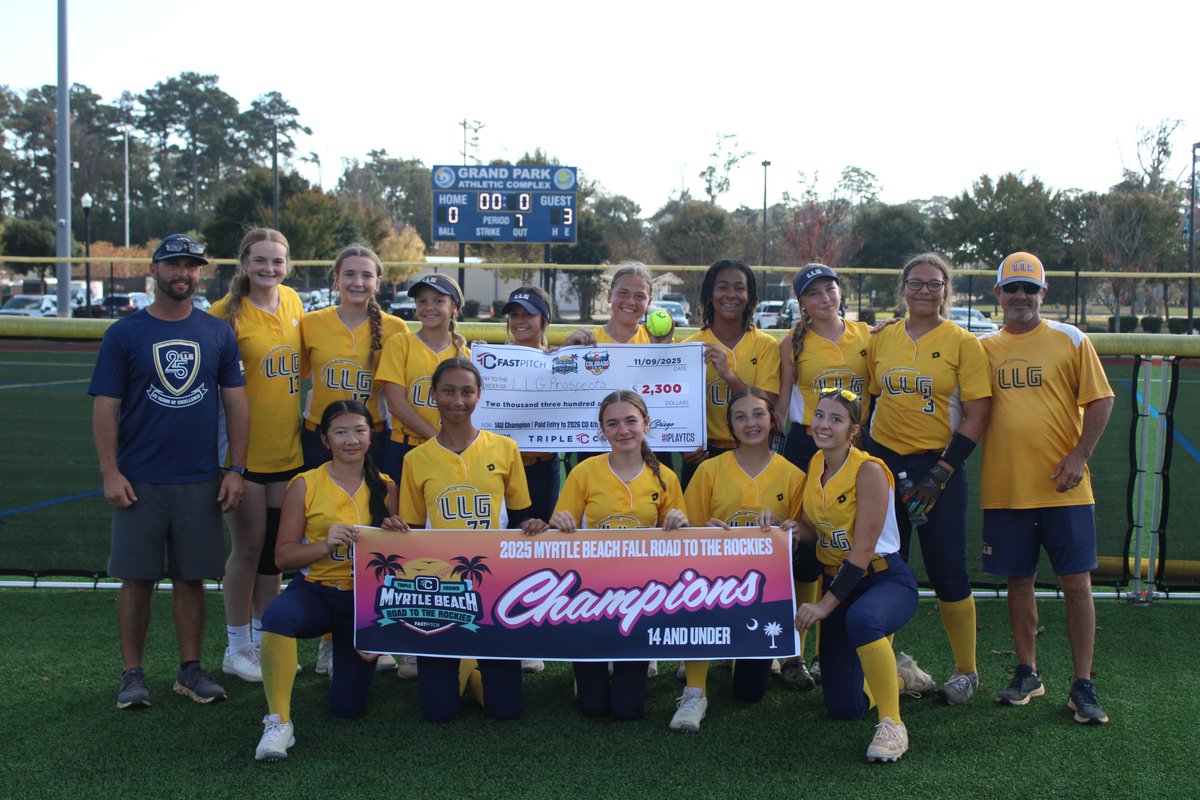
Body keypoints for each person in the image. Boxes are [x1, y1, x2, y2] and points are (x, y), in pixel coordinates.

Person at [90, 233, 248, 709]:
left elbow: (236, 405)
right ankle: (132, 673)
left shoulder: (217, 332)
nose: (183, 273)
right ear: (155, 270)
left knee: (192, 578)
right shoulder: (125, 333)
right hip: (140, 479)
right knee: (136, 579)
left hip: (199, 478)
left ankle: (190, 670)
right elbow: (105, 407)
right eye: (174, 265)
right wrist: (110, 473)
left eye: (192, 266)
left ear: (201, 273)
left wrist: (235, 468)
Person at [980, 252, 1115, 724]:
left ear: (1043, 294)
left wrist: (1079, 455)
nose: (1021, 297)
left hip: (1064, 487)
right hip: (1006, 486)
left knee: (1077, 584)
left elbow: (1101, 399)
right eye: (1012, 288)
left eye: (1029, 289)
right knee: (1020, 581)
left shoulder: (1070, 339)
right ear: (997, 293)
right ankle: (1027, 672)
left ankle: (1083, 683)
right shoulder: (981, 347)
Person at [866, 253, 991, 705]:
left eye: (933, 284)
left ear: (946, 290)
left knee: (946, 567)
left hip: (937, 466)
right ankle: (882, 663)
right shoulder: (882, 337)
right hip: (882, 464)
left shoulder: (963, 342)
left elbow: (977, 414)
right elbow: (869, 398)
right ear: (903, 288)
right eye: (915, 283)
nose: (924, 291)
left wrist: (939, 474)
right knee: (885, 565)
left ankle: (966, 670)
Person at [254, 401, 404, 761]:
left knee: (348, 708)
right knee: (278, 616)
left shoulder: (386, 487)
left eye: (359, 430)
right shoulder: (305, 484)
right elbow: (282, 557)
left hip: (362, 602)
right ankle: (279, 723)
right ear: (325, 439)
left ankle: (342, 651)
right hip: (317, 593)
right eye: (340, 432)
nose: (350, 440)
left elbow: (399, 567)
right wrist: (324, 544)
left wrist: (380, 632)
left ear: (371, 436)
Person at [398, 358, 542, 723]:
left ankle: (474, 670)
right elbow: (412, 533)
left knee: (506, 710)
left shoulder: (505, 448)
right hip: (442, 591)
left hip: (493, 584)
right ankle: (458, 666)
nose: (457, 400)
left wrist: (535, 528)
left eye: (467, 391)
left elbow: (521, 517)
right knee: (438, 711)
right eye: (448, 391)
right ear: (433, 396)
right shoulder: (416, 459)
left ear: (479, 396)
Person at [793, 388, 920, 762]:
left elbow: (863, 552)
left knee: (863, 619)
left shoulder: (869, 470)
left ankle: (893, 724)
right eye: (820, 415)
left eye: (836, 419)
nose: (824, 424)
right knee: (843, 707)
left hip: (883, 578)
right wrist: (784, 529)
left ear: (854, 430)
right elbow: (811, 529)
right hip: (839, 580)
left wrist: (823, 606)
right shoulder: (817, 463)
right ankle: (900, 677)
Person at [300, 244, 409, 676]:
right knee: (325, 531)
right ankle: (328, 641)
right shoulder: (309, 324)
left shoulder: (397, 327)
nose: (358, 283)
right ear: (335, 278)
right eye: (349, 274)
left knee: (375, 535)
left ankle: (374, 631)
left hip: (372, 436)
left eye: (366, 275)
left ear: (378, 281)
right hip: (319, 437)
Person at [549, 390, 689, 721]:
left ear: (646, 424)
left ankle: (638, 660)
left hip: (639, 596)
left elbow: (682, 541)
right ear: (602, 430)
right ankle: (584, 673)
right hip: (589, 596)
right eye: (612, 423)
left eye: (630, 421)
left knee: (628, 709)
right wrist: (560, 522)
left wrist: (680, 522)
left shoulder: (665, 477)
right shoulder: (584, 472)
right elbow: (559, 530)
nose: (622, 430)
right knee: (592, 707)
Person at [676, 389, 805, 732]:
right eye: (741, 417)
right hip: (709, 586)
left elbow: (801, 536)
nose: (751, 423)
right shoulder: (709, 470)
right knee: (697, 613)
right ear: (730, 426)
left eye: (758, 414)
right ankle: (695, 692)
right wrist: (706, 529)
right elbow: (685, 533)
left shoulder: (793, 475)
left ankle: (738, 652)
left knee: (749, 693)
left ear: (773, 420)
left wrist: (786, 527)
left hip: (763, 595)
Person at [209, 228, 305, 684]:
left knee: (272, 553)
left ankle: (266, 639)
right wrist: (229, 462)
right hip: (242, 454)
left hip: (286, 450)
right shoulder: (221, 316)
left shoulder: (292, 302)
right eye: (260, 260)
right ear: (243, 263)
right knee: (246, 548)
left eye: (277, 261)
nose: (269, 269)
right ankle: (235, 645)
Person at [774, 263, 873, 691]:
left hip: (856, 442)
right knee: (807, 550)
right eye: (814, 294)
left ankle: (846, 646)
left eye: (830, 290)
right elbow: (782, 403)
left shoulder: (868, 335)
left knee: (851, 541)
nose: (824, 299)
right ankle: (795, 653)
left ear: (840, 293)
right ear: (802, 304)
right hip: (806, 443)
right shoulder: (791, 344)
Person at [680, 259, 780, 489]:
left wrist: (728, 375)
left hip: (752, 452)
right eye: (722, 287)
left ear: (750, 295)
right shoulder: (690, 346)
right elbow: (673, 408)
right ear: (710, 294)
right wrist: (683, 445)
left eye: (739, 287)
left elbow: (768, 405)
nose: (731, 294)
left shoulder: (766, 345)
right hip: (704, 454)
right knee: (699, 524)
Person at [376, 273, 468, 487]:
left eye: (438, 301)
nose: (429, 307)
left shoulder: (466, 356)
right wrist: (438, 439)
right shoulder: (400, 343)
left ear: (454, 308)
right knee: (400, 519)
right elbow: (396, 404)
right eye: (422, 301)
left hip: (450, 452)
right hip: (404, 447)